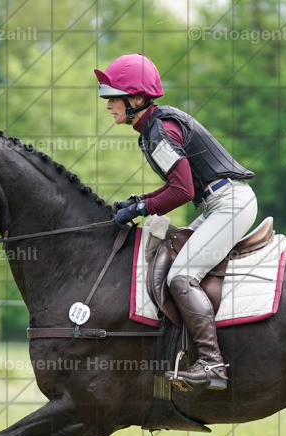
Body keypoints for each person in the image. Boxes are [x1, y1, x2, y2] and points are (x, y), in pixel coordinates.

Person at [95, 53, 257, 390]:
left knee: (182, 276)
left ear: (136, 98)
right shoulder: (154, 127)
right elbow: (178, 185)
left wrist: (142, 207)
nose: (108, 105)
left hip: (229, 204)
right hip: (219, 204)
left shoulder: (159, 131)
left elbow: (181, 190)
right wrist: (141, 201)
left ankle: (213, 365)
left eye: (113, 98)